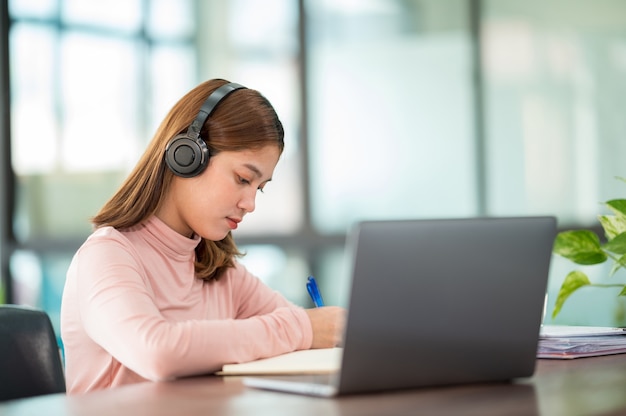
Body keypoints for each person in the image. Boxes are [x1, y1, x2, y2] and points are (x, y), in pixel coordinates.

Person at [60, 79, 346, 394]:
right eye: (243, 178)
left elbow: (303, 329)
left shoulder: (221, 270)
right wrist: (303, 328)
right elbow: (158, 352)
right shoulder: (107, 255)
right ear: (187, 155)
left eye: (259, 188)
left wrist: (331, 328)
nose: (250, 204)